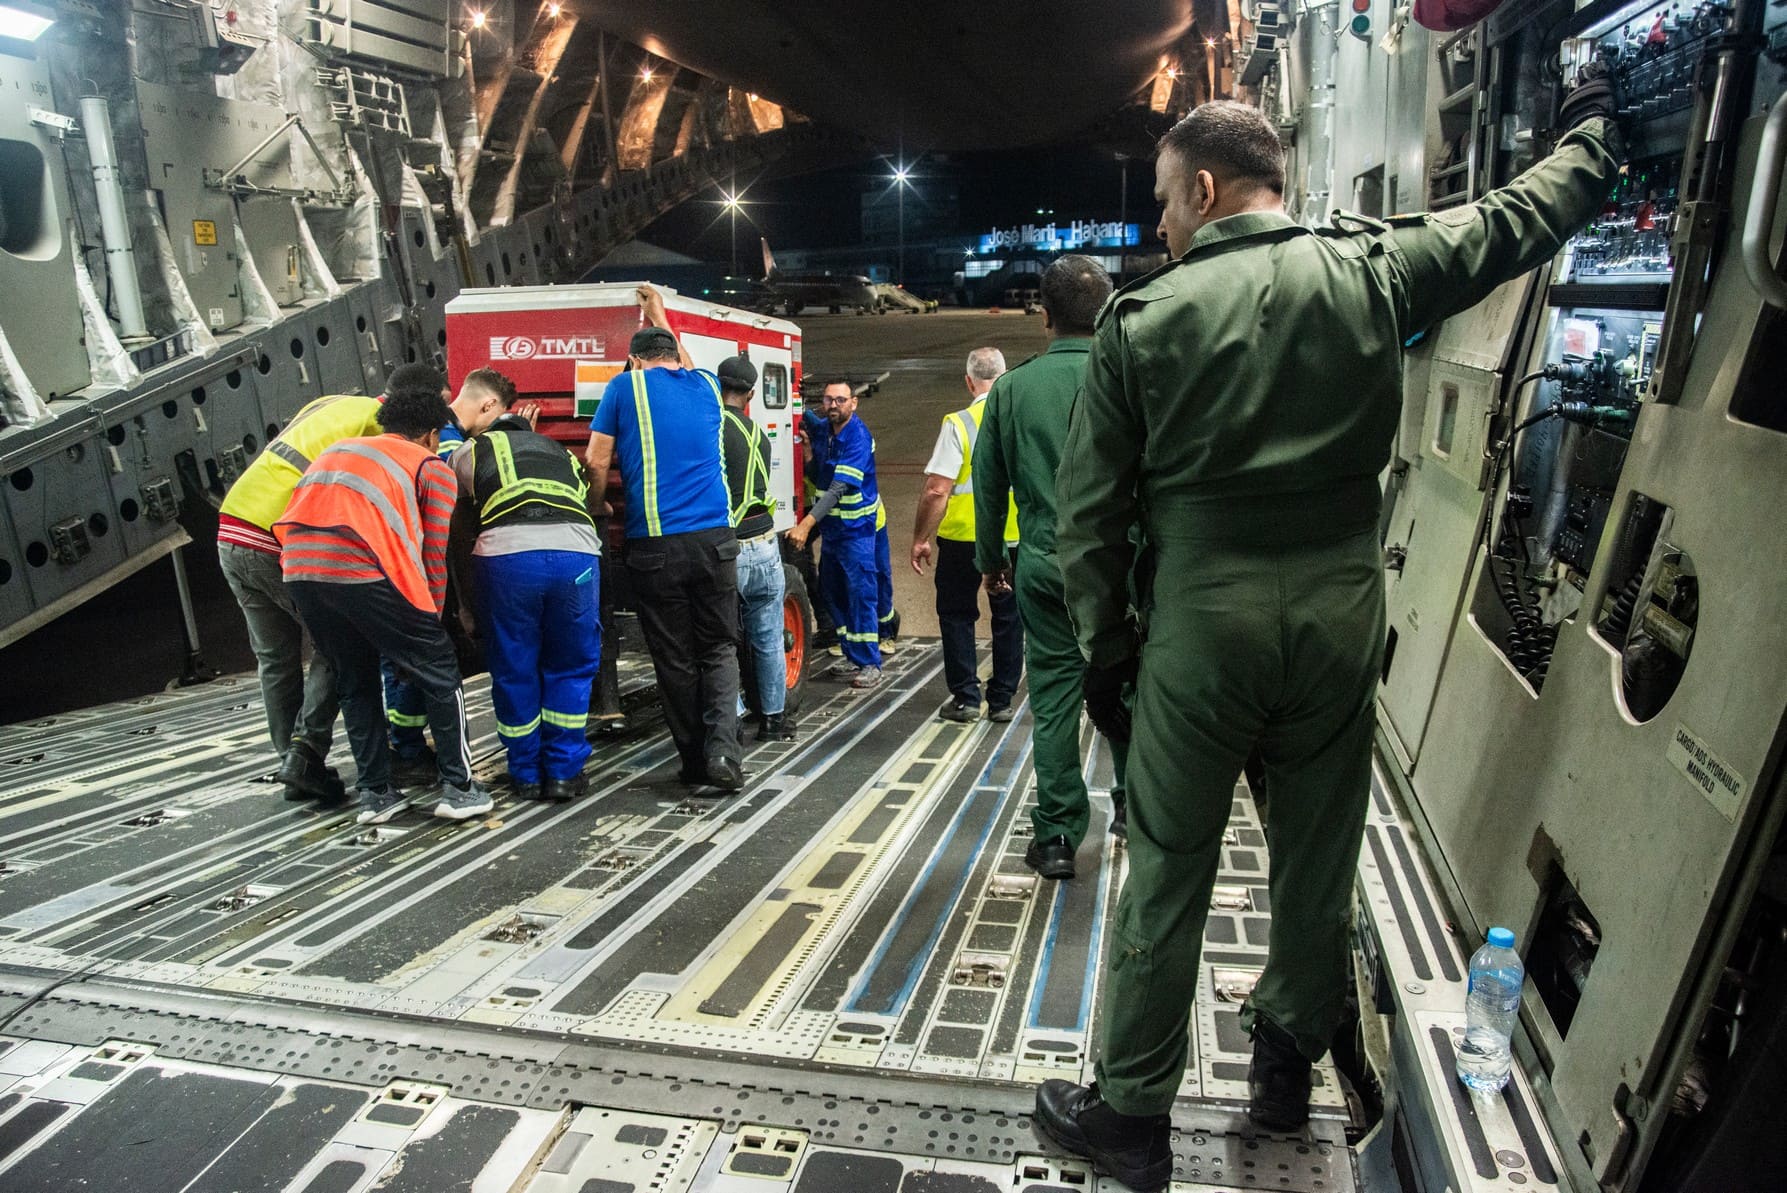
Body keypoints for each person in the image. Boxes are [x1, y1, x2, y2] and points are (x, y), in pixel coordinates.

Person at [1034, 85, 1625, 1188]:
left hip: (1200, 630)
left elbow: (1090, 523)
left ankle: (1128, 1116)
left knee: (1167, 864)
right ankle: (1279, 1066)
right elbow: (1512, 220)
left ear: (1203, 190)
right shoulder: (1370, 268)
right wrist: (1592, 138)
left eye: (1164, 201)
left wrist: (1111, 660)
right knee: (1315, 858)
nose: (1160, 224)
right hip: (1338, 617)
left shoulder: (1143, 320)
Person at [276, 374, 495, 824]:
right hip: (363, 570)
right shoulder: (430, 465)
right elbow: (434, 554)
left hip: (300, 571)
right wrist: (428, 626)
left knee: (353, 678)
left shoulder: (338, 451)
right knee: (439, 672)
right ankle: (460, 788)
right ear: (432, 434)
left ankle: (376, 795)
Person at [972, 259, 1127, 884]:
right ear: (1108, 312)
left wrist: (989, 563)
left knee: (1056, 700)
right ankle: (1131, 812)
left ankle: (1059, 836)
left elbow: (989, 487)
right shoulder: (1129, 375)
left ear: (1045, 317)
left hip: (1044, 562)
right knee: (1128, 689)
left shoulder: (1011, 389)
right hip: (1121, 564)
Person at [216, 376, 420, 803]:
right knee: (342, 640)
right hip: (278, 534)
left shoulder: (332, 400)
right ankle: (305, 754)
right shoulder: (380, 424)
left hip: (232, 525)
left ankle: (293, 763)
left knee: (275, 658)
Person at [585, 286, 744, 790]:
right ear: (676, 358)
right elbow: (681, 359)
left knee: (675, 657)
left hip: (656, 546)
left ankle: (695, 762)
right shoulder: (705, 387)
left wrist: (596, 507)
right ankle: (725, 756)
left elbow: (596, 459)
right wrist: (658, 314)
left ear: (634, 361)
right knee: (719, 649)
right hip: (716, 542)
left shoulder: (622, 388)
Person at [454, 384, 602, 802]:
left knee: (514, 665)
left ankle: (525, 773)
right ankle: (563, 773)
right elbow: (590, 498)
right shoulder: (560, 454)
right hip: (576, 556)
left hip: (507, 559)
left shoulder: (471, 451)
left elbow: (458, 526)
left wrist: (465, 603)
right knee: (571, 665)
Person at [382, 367, 514, 784]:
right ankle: (415, 752)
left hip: (394, 564)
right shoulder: (448, 445)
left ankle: (406, 742)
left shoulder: (427, 434)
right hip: (423, 570)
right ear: (489, 404)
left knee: (401, 664)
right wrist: (460, 601)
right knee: (422, 664)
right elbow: (448, 527)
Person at [912, 346, 1023, 723]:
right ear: (1005, 377)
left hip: (962, 539)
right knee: (1009, 616)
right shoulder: (1021, 418)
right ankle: (1003, 699)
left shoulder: (959, 423)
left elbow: (936, 489)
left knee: (958, 613)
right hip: (1013, 537)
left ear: (968, 381)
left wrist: (920, 537)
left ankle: (966, 699)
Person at [718, 354, 794, 742]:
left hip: (729, 549)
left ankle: (731, 721)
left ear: (718, 387)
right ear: (750, 394)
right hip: (765, 546)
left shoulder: (713, 428)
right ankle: (774, 720)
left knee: (721, 643)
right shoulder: (758, 435)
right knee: (767, 637)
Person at [787, 378, 882, 689]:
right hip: (834, 533)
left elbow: (838, 488)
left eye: (841, 400)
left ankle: (869, 662)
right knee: (833, 593)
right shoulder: (824, 429)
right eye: (828, 399)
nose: (833, 405)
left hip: (856, 533)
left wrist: (806, 524)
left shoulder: (857, 437)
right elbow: (800, 414)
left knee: (860, 594)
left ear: (853, 403)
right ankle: (852, 654)